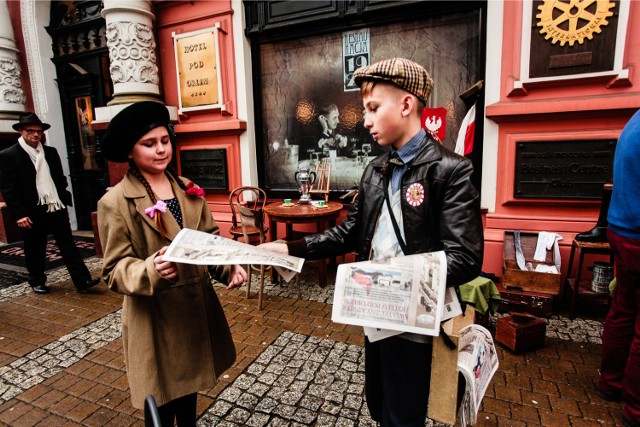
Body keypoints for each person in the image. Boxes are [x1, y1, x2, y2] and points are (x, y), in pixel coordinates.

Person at [260, 58, 483, 426]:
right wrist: (289, 250)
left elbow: (466, 258)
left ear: (407, 105)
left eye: (373, 108)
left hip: (416, 320)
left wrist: (393, 278)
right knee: (379, 403)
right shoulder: (375, 169)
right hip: (375, 313)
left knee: (405, 413)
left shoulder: (451, 170)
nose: (365, 120)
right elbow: (350, 232)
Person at [97, 101, 247, 426]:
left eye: (164, 140)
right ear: (130, 152)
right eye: (148, 144)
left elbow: (208, 241)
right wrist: (151, 269)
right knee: (162, 406)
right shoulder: (115, 202)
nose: (160, 149)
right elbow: (114, 270)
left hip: (193, 315)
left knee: (189, 398)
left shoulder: (188, 189)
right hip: (155, 320)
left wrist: (228, 267)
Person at [0, 112, 100, 294]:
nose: (36, 135)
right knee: (35, 247)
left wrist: (61, 196)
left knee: (68, 245)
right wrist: (19, 214)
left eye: (39, 131)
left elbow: (60, 178)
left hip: (56, 206)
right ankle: (36, 280)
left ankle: (83, 280)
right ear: (21, 131)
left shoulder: (51, 152)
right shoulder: (9, 155)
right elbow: (9, 188)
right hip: (31, 210)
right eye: (31, 131)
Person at [599, 109, 640, 427]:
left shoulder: (635, 120)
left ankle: (610, 382)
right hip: (636, 231)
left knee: (624, 308)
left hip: (622, 226)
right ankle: (636, 410)